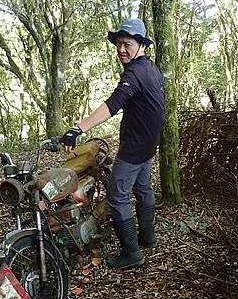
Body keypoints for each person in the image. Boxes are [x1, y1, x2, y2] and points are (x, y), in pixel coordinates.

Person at [60, 18, 165, 269]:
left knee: (118, 196)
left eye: (127, 44)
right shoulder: (152, 68)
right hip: (149, 145)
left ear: (141, 45)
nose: (121, 49)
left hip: (134, 148)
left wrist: (78, 128)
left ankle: (132, 254)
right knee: (143, 189)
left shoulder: (135, 72)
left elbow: (112, 105)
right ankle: (148, 238)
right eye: (118, 44)